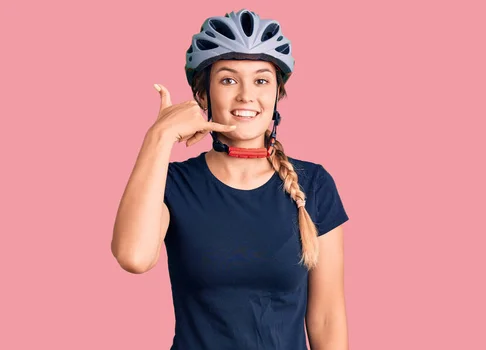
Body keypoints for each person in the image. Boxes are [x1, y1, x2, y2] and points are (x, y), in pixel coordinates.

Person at [111, 8, 349, 350]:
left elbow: (327, 317)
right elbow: (133, 257)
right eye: (228, 79)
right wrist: (159, 136)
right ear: (203, 95)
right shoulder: (173, 183)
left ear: (277, 95)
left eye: (261, 80)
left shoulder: (314, 184)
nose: (246, 96)